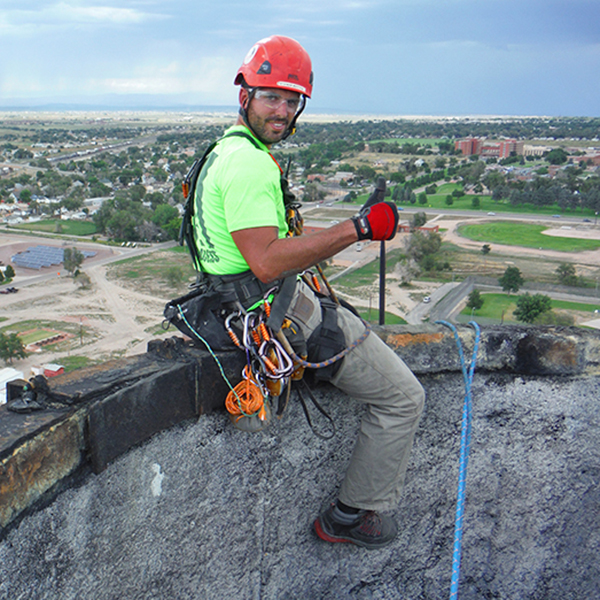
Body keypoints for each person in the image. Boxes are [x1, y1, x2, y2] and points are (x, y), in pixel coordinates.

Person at [188, 35, 425, 550]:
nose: (282, 110)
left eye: (292, 100)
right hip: (272, 315)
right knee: (405, 398)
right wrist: (356, 229)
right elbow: (268, 259)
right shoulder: (250, 163)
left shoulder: (222, 152)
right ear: (244, 95)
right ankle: (350, 515)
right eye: (271, 96)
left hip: (227, 305)